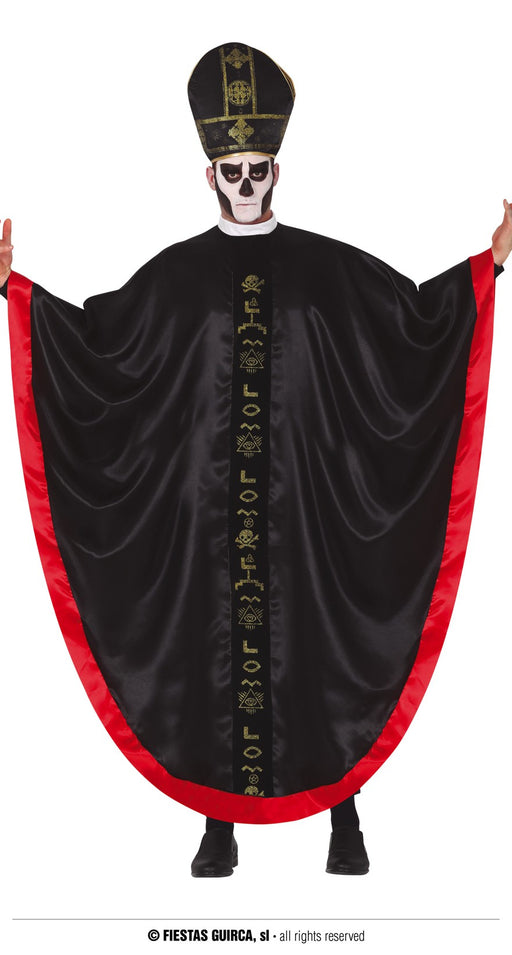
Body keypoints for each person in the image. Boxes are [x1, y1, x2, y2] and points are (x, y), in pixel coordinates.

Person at [1, 42, 511, 880]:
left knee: (321, 647)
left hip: (306, 507)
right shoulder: (175, 276)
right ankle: (218, 820)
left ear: (279, 169)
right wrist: (15, 294)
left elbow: (412, 326)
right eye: (232, 172)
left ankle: (343, 809)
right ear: (209, 175)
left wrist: (487, 264)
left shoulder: (328, 268)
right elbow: (100, 348)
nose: (245, 185)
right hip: (207, 516)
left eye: (258, 170)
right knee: (210, 655)